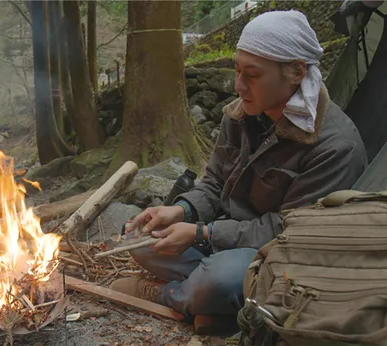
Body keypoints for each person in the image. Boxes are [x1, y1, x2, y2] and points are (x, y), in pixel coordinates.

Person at [109, 10, 368, 330]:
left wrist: (203, 233)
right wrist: (182, 211)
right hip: (222, 237)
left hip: (278, 258)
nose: (238, 85)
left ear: (296, 72)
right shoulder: (240, 116)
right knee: (136, 236)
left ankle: (174, 295)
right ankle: (219, 305)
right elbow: (215, 181)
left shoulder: (335, 146)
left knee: (221, 279)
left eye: (252, 74)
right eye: (236, 71)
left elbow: (290, 234)